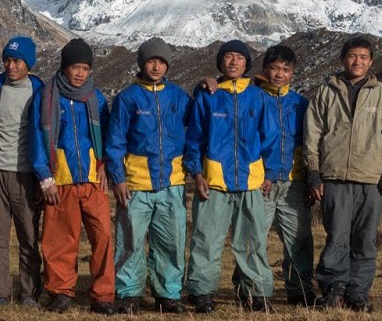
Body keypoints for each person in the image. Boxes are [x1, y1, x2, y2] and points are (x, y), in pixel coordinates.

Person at [303, 35, 382, 312]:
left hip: (371, 178)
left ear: (371, 62)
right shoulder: (325, 92)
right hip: (334, 177)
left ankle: (358, 291)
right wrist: (313, 172)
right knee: (337, 236)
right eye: (353, 56)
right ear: (343, 58)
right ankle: (334, 288)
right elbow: (312, 135)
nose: (358, 61)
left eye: (364, 57)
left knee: (365, 238)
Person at [182, 39, 278, 314]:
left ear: (247, 64)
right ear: (220, 62)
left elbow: (270, 138)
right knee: (206, 239)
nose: (234, 62)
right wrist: (196, 174)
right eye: (228, 57)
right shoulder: (207, 95)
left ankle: (257, 294)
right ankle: (201, 292)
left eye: (239, 57)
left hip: (251, 182)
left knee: (253, 241)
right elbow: (194, 139)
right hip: (214, 182)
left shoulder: (258, 96)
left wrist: (269, 174)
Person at [105, 38, 191, 314]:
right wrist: (117, 178)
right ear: (141, 63)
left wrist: (206, 86)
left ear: (168, 64)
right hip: (135, 185)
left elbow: (198, 127)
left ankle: (168, 294)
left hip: (172, 183)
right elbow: (115, 141)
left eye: (162, 61)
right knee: (130, 242)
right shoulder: (127, 98)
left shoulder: (179, 97)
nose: (156, 66)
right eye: (151, 61)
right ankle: (128, 293)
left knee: (171, 242)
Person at [31, 39, 116, 314]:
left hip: (93, 181)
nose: (80, 73)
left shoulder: (97, 98)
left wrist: (104, 166)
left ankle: (103, 295)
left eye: (85, 68)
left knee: (102, 237)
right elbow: (35, 138)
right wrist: (45, 178)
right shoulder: (46, 98)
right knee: (59, 240)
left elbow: (107, 137)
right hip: (60, 180)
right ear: (64, 67)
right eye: (75, 67)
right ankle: (60, 292)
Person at [247, 46, 316, 306]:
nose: (279, 74)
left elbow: (310, 143)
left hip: (294, 183)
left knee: (299, 239)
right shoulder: (252, 98)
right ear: (265, 69)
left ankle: (300, 292)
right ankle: (254, 291)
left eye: (286, 70)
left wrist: (310, 178)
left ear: (293, 73)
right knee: (253, 238)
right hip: (260, 181)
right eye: (275, 68)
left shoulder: (300, 103)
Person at [0, 36, 45, 307]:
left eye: (16, 61)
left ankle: (29, 292)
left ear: (28, 63)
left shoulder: (41, 91)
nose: (10, 65)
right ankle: (0, 294)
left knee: (29, 238)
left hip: (26, 173)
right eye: (6, 60)